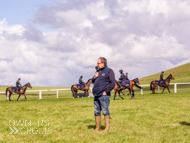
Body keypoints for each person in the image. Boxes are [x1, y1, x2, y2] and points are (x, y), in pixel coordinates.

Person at [92, 57, 115, 131]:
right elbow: (92, 81)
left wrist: (106, 91)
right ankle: (97, 128)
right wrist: (95, 77)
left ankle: (107, 128)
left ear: (103, 64)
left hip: (103, 95)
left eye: (98, 63)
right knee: (96, 111)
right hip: (96, 95)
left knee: (105, 111)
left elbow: (112, 83)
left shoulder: (109, 71)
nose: (97, 64)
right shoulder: (98, 71)